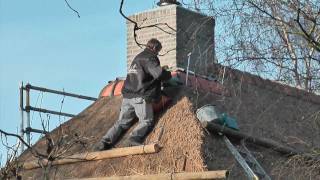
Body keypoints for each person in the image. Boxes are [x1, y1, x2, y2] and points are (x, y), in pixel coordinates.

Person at [96, 38, 172, 151]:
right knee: (146, 120)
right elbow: (159, 73)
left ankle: (104, 142)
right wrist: (168, 75)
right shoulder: (150, 57)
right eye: (158, 51)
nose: (157, 53)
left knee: (122, 122)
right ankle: (133, 139)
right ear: (155, 48)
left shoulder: (137, 57)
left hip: (127, 96)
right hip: (140, 95)